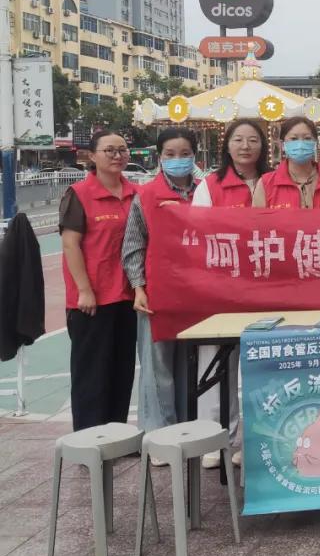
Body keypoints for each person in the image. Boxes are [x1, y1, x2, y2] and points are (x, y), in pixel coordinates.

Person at [191, 119, 270, 468]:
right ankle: (213, 438)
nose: (245, 146)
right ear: (227, 145)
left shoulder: (273, 182)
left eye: (253, 140)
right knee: (215, 361)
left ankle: (253, 440)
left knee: (260, 363)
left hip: (267, 285)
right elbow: (196, 231)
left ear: (263, 147)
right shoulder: (210, 186)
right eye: (238, 140)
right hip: (221, 285)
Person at [122, 127, 200, 456]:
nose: (178, 159)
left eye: (185, 154)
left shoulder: (206, 192)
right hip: (158, 292)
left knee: (191, 364)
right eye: (170, 154)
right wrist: (138, 287)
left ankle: (188, 430)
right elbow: (133, 246)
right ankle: (158, 438)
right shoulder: (147, 195)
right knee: (158, 367)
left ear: (195, 155)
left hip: (199, 293)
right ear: (159, 157)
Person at [60, 130, 139, 431]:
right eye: (109, 150)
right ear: (92, 156)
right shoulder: (79, 194)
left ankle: (116, 437)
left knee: (121, 371)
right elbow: (71, 245)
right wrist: (84, 290)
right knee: (91, 376)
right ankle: (89, 441)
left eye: (122, 149)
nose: (117, 155)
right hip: (92, 300)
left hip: (127, 297)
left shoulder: (136, 194)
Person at [252, 117, 320, 209]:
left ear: (315, 143)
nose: (300, 144)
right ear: (282, 144)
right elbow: (258, 217)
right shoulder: (266, 184)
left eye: (307, 138)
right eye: (294, 139)